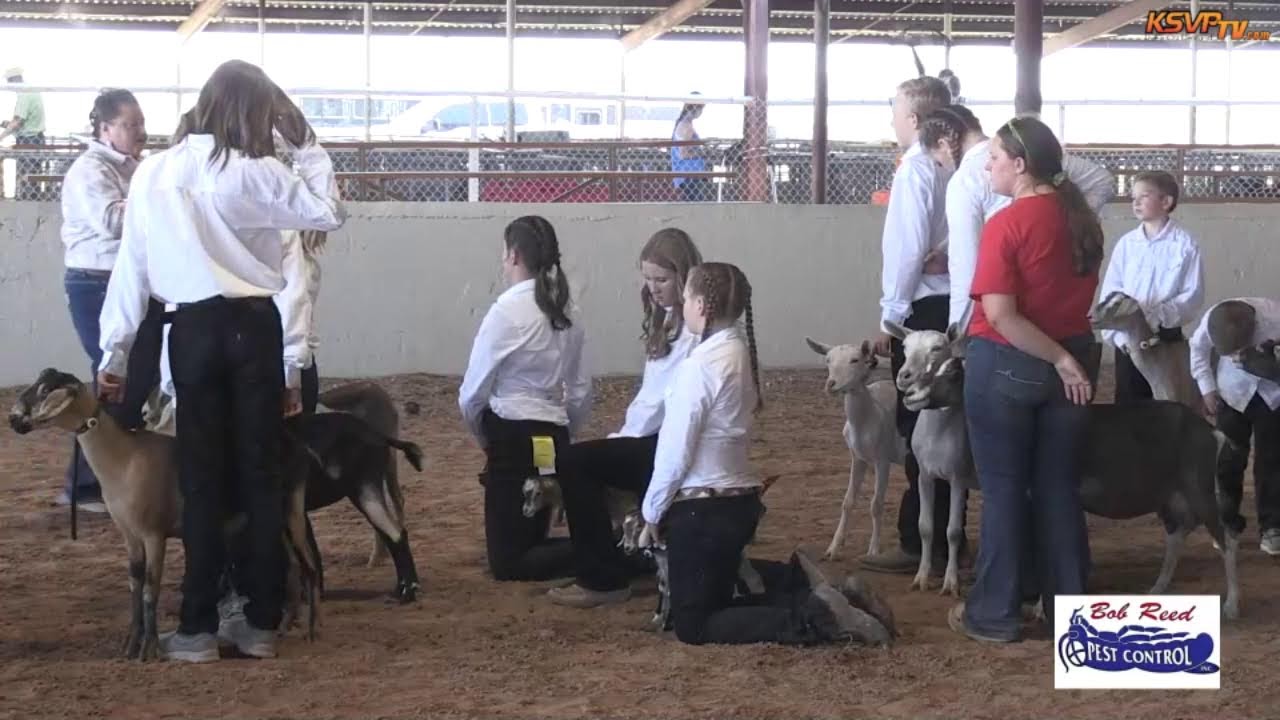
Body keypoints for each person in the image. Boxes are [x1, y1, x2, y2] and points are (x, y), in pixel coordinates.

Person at [97, 59, 346, 663]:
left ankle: (197, 628)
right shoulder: (259, 171)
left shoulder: (154, 171)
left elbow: (132, 269)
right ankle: (260, 620)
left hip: (194, 332)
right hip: (255, 328)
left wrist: (116, 351)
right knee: (259, 478)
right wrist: (307, 144)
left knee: (200, 480)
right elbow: (327, 213)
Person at [952, 116, 1101, 643]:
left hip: (1011, 363)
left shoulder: (1008, 224)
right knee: (1059, 488)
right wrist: (1067, 359)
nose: (987, 165)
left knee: (1005, 490)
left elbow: (1003, 314)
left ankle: (996, 612)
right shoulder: (1081, 220)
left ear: (1020, 165)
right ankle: (1069, 609)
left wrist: (1057, 358)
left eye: (994, 157)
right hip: (1077, 362)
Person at [546, 228, 703, 608]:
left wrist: (623, 439)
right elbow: (648, 398)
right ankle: (615, 557)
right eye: (647, 279)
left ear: (684, 277)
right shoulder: (664, 320)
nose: (653, 288)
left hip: (665, 441)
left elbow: (663, 405)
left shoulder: (691, 331)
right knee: (579, 458)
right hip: (649, 434)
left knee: (573, 461)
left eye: (662, 279)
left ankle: (602, 578)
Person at [458, 215, 591, 582]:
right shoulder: (569, 312)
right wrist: (566, 432)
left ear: (514, 255)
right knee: (533, 529)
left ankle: (604, 549)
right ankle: (596, 547)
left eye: (504, 253)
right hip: (552, 435)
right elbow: (579, 393)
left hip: (511, 435)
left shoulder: (505, 312)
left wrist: (487, 439)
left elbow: (472, 394)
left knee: (509, 562)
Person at [864, 75, 959, 576]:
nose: (893, 119)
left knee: (917, 424)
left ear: (916, 120)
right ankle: (944, 531)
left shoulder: (915, 171)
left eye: (896, 111)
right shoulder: (960, 168)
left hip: (920, 310)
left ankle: (917, 536)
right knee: (946, 418)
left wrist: (891, 315)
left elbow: (906, 249)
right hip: (952, 307)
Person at [916, 104, 1116, 332]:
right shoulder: (1038, 153)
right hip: (1065, 326)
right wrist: (1068, 219)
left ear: (943, 144)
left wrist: (958, 332)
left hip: (1009, 332)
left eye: (939, 163)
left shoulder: (971, 188)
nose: (988, 165)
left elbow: (966, 269)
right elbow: (1102, 180)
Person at [58, 88, 165, 513]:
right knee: (115, 376)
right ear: (105, 129)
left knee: (135, 375)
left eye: (140, 123)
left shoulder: (135, 168)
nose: (140, 131)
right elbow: (111, 221)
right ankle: (85, 483)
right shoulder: (90, 171)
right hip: (96, 282)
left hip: (127, 281)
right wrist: (158, 203)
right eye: (130, 124)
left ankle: (110, 475)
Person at [1097, 171, 1204, 403]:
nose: (1135, 202)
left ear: (1166, 202)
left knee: (1168, 402)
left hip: (1165, 339)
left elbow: (1191, 296)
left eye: (1144, 196)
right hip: (1128, 341)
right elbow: (1112, 292)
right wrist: (1118, 337)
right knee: (1130, 406)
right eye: (1133, 197)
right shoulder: (1127, 244)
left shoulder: (1184, 245)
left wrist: (1154, 319)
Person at [1190, 298, 1280, 556]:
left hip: (1273, 397)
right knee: (1227, 460)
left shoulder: (1275, 318)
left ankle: (1273, 526)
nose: (1235, 357)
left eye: (1239, 351)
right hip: (1230, 395)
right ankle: (1227, 522)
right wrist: (1206, 388)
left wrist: (1271, 367)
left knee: (1272, 462)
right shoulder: (1211, 320)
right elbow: (1197, 350)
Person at [1, 67, 47, 200]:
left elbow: (19, 121)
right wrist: (8, 124)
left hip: (28, 140)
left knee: (26, 176)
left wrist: (2, 136)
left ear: (14, 80)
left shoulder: (24, 95)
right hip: (37, 139)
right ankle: (31, 200)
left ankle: (27, 202)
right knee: (33, 175)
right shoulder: (33, 91)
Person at [670, 94, 710, 202]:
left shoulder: (683, 124)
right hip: (690, 175)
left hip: (687, 176)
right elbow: (683, 154)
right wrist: (702, 154)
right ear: (696, 108)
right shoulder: (687, 127)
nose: (701, 112)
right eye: (701, 109)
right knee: (696, 206)